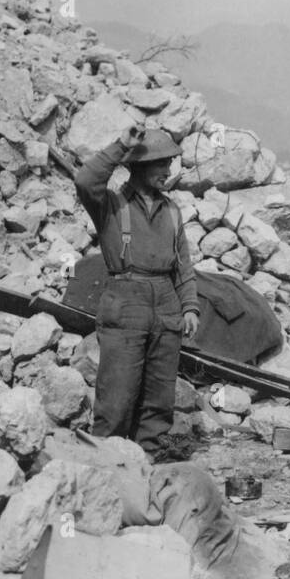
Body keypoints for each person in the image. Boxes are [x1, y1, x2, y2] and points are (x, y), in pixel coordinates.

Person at [74, 127, 200, 456]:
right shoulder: (110, 204)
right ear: (139, 167)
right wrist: (120, 146)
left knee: (160, 395)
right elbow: (85, 180)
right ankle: (106, 463)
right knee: (117, 394)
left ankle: (151, 458)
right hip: (126, 297)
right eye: (160, 164)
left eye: (169, 163)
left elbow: (183, 265)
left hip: (166, 301)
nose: (168, 171)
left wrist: (189, 307)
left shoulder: (172, 210)